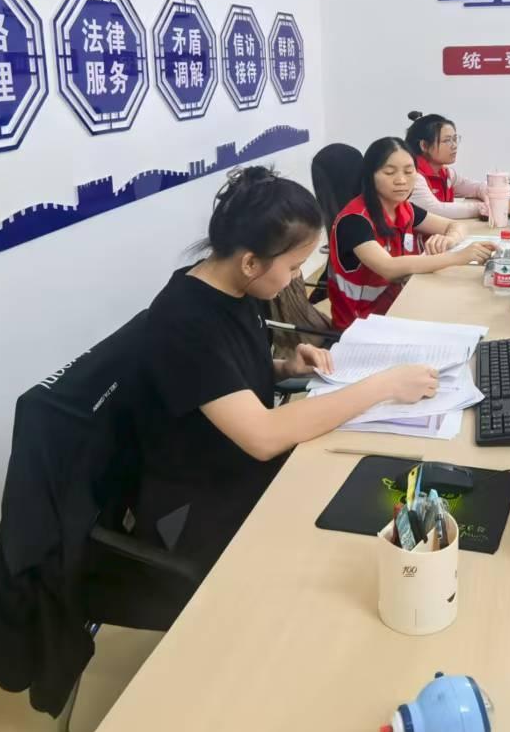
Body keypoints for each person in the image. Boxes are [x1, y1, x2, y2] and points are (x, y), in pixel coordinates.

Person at [132, 167, 441, 567]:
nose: (297, 278)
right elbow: (262, 435)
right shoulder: (185, 321)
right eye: (295, 267)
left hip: (246, 464)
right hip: (203, 499)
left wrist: (282, 367)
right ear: (250, 262)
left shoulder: (236, 286)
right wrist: (385, 385)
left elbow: (219, 381)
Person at [330, 136, 496, 329]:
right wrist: (458, 257)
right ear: (370, 175)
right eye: (389, 172)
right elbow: (389, 268)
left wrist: (450, 240)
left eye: (409, 172)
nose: (401, 180)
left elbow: (455, 226)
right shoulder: (355, 220)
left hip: (399, 305)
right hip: (362, 325)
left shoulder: (404, 207)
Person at [404, 110, 510, 220]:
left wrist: (493, 201)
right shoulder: (413, 176)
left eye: (455, 139)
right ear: (424, 145)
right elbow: (436, 210)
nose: (454, 146)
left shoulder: (445, 173)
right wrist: (489, 207)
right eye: (447, 140)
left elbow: (477, 187)